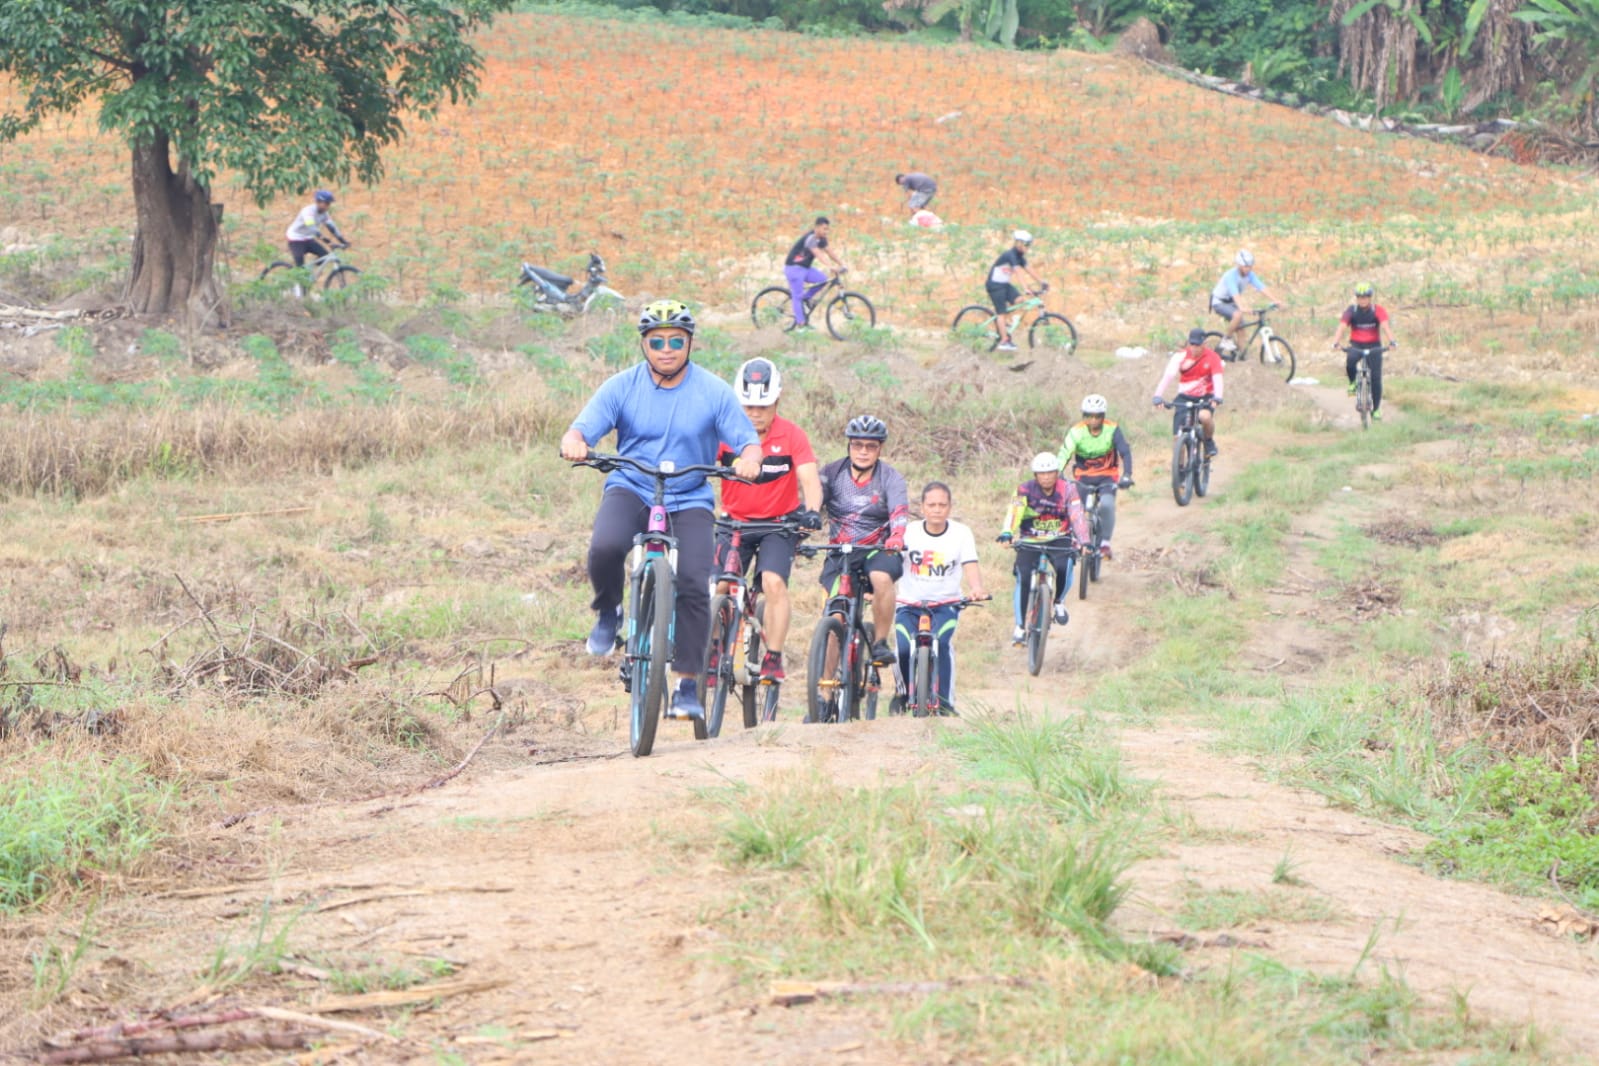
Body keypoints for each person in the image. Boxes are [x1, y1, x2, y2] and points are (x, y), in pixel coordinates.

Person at [560, 300, 764, 721]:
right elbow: (583, 427)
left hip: (689, 495)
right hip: (632, 486)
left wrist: (749, 458)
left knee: (694, 581)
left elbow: (747, 441)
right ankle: (608, 612)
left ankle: (687, 683)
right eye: (657, 341)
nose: (666, 349)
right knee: (605, 546)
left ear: (689, 343)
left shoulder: (713, 391)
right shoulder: (621, 386)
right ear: (644, 345)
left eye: (676, 341)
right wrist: (576, 441)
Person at [714, 358, 824, 682]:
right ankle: (711, 646)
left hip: (778, 525)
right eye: (748, 405)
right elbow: (700, 464)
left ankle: (773, 657)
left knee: (773, 583)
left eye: (763, 405)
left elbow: (810, 480)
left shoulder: (792, 436)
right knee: (717, 585)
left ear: (777, 401)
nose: (755, 413)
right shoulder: (724, 434)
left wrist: (813, 510)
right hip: (735, 522)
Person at [818, 415, 908, 667]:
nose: (863, 451)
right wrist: (802, 525)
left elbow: (899, 511)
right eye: (857, 445)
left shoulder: (890, 478)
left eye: (871, 446)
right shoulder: (831, 472)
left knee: (881, 577)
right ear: (848, 445)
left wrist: (898, 535)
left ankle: (879, 642)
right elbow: (813, 503)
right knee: (834, 618)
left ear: (880, 448)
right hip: (840, 553)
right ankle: (823, 696)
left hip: (878, 549)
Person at [895, 482, 989, 711]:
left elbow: (970, 564)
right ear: (922, 507)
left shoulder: (961, 533)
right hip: (908, 604)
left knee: (942, 644)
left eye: (942, 505)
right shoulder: (908, 531)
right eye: (931, 505)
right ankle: (901, 694)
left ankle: (946, 704)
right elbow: (892, 562)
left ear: (950, 507)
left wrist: (976, 588)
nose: (937, 509)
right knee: (903, 648)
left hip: (945, 605)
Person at [998, 453, 1090, 644]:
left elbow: (1077, 515)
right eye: (1042, 473)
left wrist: (1084, 541)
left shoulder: (1068, 489)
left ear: (1057, 473)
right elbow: (1015, 511)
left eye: (1050, 472)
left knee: (1066, 566)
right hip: (1030, 539)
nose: (1046, 477)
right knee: (1023, 576)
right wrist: (1007, 532)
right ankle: (1020, 626)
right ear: (1035, 475)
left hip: (1059, 538)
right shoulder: (1024, 489)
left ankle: (1058, 602)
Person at [1057, 394, 1134, 561]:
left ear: (1103, 416)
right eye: (1088, 416)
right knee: (1076, 510)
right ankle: (1077, 541)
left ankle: (1105, 543)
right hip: (1083, 477)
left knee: (1106, 505)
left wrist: (1127, 474)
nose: (1093, 420)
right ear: (1083, 416)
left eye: (1097, 416)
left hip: (1107, 476)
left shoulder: (1112, 429)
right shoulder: (1076, 431)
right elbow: (1065, 453)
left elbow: (1125, 451)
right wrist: (1057, 472)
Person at [1329, 282, 1398, 421]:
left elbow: (1385, 327)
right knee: (1350, 362)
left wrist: (1392, 342)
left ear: (1370, 297)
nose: (1362, 299)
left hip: (1374, 346)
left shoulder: (1377, 310)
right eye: (1360, 297)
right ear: (1356, 298)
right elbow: (1342, 327)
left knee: (1376, 379)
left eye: (1365, 297)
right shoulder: (1351, 310)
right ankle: (1353, 382)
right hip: (1356, 344)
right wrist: (1335, 342)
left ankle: (1376, 410)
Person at [1152, 328, 1225, 457]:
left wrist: (1217, 397)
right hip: (1185, 397)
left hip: (1205, 397)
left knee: (1205, 417)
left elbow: (1217, 379)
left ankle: (1208, 441)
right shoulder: (1180, 356)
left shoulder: (1213, 358)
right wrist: (1158, 396)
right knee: (1177, 438)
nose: (1194, 348)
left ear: (1205, 344)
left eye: (1198, 345)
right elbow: (1168, 376)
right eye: (1192, 344)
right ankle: (1179, 471)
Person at [783, 216, 848, 331]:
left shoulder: (822, 238)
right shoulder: (810, 238)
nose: (826, 231)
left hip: (805, 268)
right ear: (817, 228)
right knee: (797, 297)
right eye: (824, 229)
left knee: (822, 280)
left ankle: (805, 299)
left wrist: (841, 263)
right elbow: (818, 254)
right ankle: (801, 325)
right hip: (794, 268)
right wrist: (831, 266)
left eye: (827, 229)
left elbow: (829, 252)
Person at [1210, 249, 1280, 354]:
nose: (1248, 269)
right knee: (1238, 315)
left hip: (1231, 302)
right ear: (1239, 265)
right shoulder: (1230, 276)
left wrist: (1275, 300)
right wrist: (1242, 308)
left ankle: (1241, 354)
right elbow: (1235, 294)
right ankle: (1226, 339)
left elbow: (1261, 287)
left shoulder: (1250, 275)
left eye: (1250, 266)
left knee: (1241, 329)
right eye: (1245, 266)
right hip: (1219, 302)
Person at [987, 230, 1045, 352]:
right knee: (1001, 313)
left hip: (1004, 285)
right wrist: (1026, 288)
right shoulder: (1010, 255)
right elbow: (1018, 272)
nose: (1028, 247)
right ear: (1020, 244)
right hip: (995, 286)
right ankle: (1004, 341)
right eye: (1027, 245)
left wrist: (1043, 282)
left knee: (1020, 300)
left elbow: (1029, 269)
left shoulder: (1019, 257)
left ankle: (1004, 323)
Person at [284, 189, 348, 268]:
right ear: (318, 202)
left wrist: (343, 240)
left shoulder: (324, 214)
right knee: (299, 265)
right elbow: (311, 227)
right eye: (326, 203)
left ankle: (309, 270)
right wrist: (323, 238)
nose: (328, 206)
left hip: (307, 237)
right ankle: (294, 277)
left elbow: (332, 227)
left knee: (324, 256)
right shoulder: (308, 211)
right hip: (295, 238)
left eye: (329, 204)